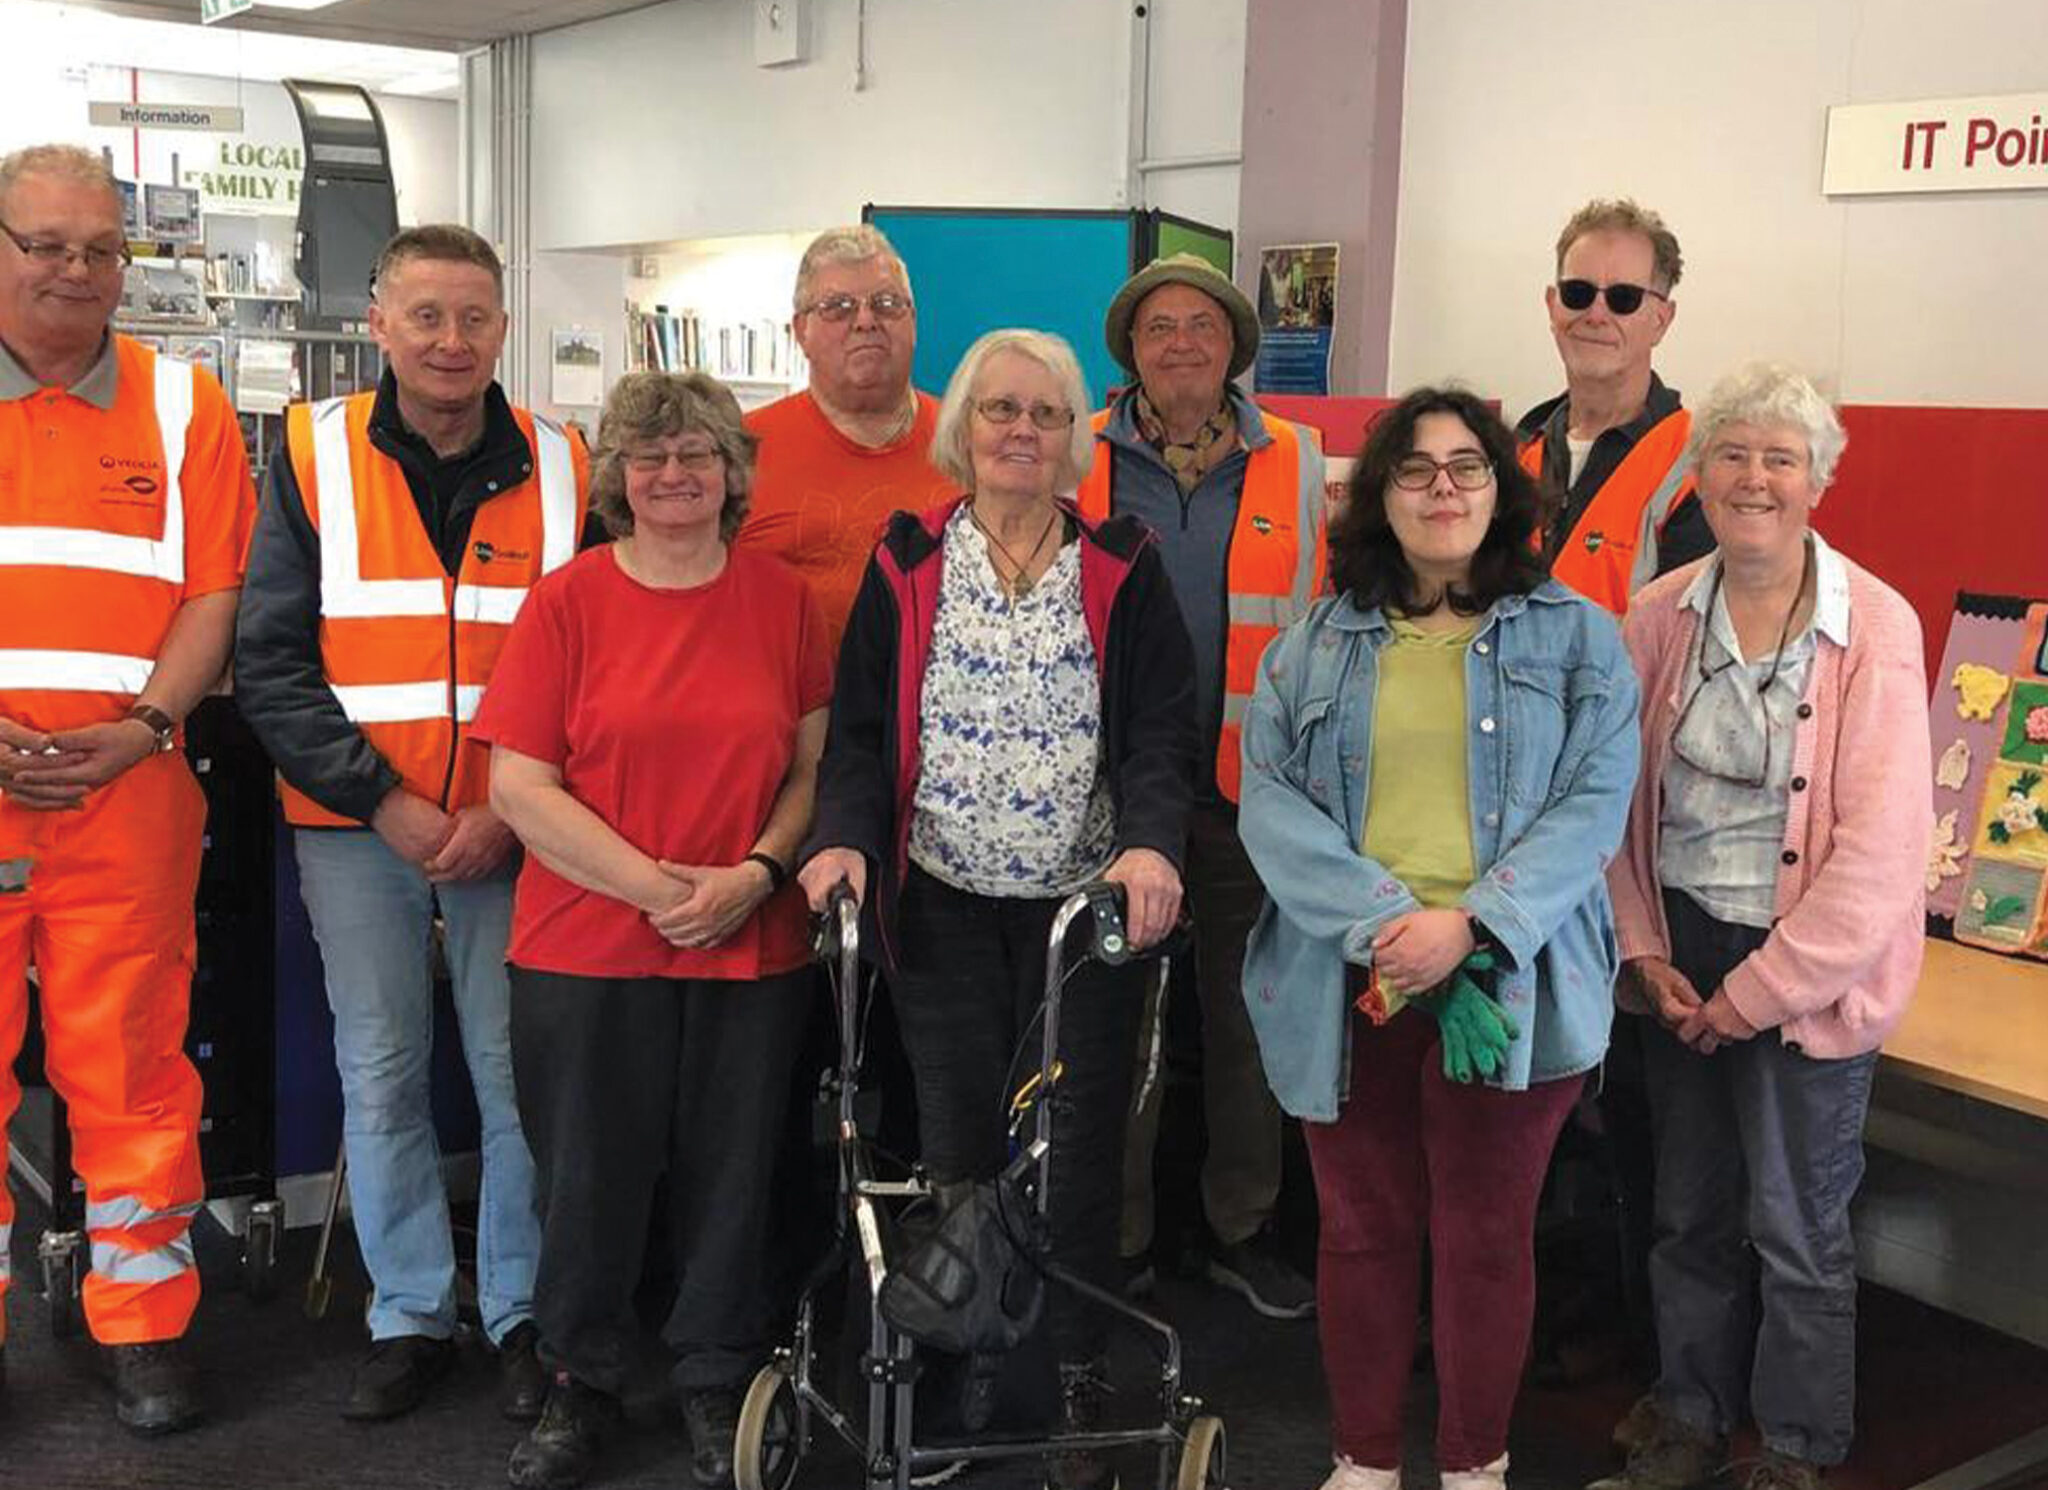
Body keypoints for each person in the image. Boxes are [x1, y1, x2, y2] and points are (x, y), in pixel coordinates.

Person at [801, 329, 1195, 1490]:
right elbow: (859, 731)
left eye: (1045, 413)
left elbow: (1159, 731)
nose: (1021, 430)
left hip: (1081, 910)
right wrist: (840, 837)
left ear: (1073, 439)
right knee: (960, 1148)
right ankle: (971, 1369)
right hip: (943, 905)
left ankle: (1072, 1375)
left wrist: (1150, 842)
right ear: (962, 428)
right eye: (999, 409)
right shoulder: (907, 560)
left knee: (1073, 1152)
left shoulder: (1122, 564)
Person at [1237, 387, 1640, 1490]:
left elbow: (1594, 804)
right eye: (1413, 470)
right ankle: (1363, 1460)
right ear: (1381, 497)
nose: (1442, 488)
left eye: (1466, 467)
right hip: (1348, 981)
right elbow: (1270, 804)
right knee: (1361, 1228)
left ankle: (1474, 1465)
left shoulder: (1578, 638)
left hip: (1514, 982)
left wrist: (1471, 924)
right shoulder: (1312, 646)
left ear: (1501, 491)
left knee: (1484, 1237)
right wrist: (1385, 925)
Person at [235, 225, 589, 1424]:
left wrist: (504, 806)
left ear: (503, 328)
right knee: (380, 1072)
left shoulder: (565, 462)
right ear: (378, 322)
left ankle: (521, 1309)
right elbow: (270, 660)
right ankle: (409, 1312)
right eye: (425, 315)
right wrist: (381, 798)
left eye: (473, 317)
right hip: (357, 828)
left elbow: (598, 662)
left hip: (519, 828)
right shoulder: (312, 453)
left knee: (516, 1074)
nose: (450, 340)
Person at [475, 371, 830, 1490]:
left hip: (751, 937)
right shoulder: (565, 602)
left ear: (732, 472)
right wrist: (659, 891)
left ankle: (715, 1376)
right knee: (588, 1177)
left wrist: (754, 875)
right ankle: (578, 1379)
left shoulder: (783, 603)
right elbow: (518, 785)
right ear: (618, 477)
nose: (674, 473)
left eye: (697, 454)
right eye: (649, 456)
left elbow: (813, 767)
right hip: (585, 945)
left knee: (735, 1173)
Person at [1592, 366, 1929, 1490]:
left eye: (1780, 458)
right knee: (1685, 1214)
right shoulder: (1657, 616)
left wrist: (1755, 993)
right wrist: (1641, 951)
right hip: (1679, 954)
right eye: (1731, 454)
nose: (1753, 479)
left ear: (1817, 481)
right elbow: (1615, 808)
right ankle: (1688, 1414)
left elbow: (1880, 855)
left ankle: (1793, 1448)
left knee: (1795, 1227)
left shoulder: (1874, 626)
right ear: (1698, 476)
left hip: (1804, 974)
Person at [0, 141, 254, 1434]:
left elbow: (216, 592)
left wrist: (149, 723)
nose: (78, 269)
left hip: (129, 794)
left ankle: (144, 1325)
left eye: (102, 247)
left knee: (136, 1069)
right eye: (47, 244)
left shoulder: (182, 405)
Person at [1080, 251, 1326, 1321]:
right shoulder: (1074, 452)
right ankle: (1115, 1235)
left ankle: (1243, 1224)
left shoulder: (1302, 460)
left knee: (1248, 1016)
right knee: (1110, 1020)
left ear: (1234, 347)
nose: (1180, 343)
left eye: (1202, 326)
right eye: (1158, 327)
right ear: (1129, 351)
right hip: (1107, 795)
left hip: (1251, 793)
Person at [741, 224, 953, 656]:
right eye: (837, 307)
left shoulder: (970, 441)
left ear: (913, 321)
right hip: (786, 697)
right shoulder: (737, 450)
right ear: (801, 331)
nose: (866, 321)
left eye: (887, 303)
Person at [1518, 198, 1714, 614]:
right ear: (1552, 305)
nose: (1595, 314)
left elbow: (1684, 636)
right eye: (1577, 293)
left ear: (1661, 319)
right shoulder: (1515, 450)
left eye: (1624, 298)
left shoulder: (1701, 463)